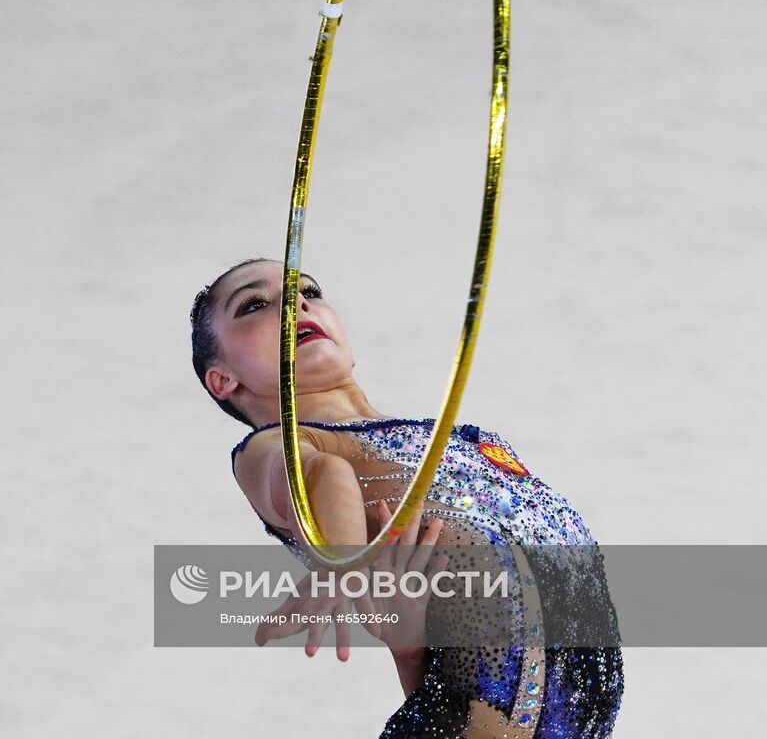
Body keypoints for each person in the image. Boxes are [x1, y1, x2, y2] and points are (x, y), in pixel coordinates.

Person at [190, 257, 625, 737]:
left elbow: (450, 687)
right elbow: (324, 475)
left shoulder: (460, 440)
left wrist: (409, 648)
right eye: (255, 303)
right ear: (223, 379)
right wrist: (342, 568)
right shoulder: (273, 448)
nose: (295, 303)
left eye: (308, 291)